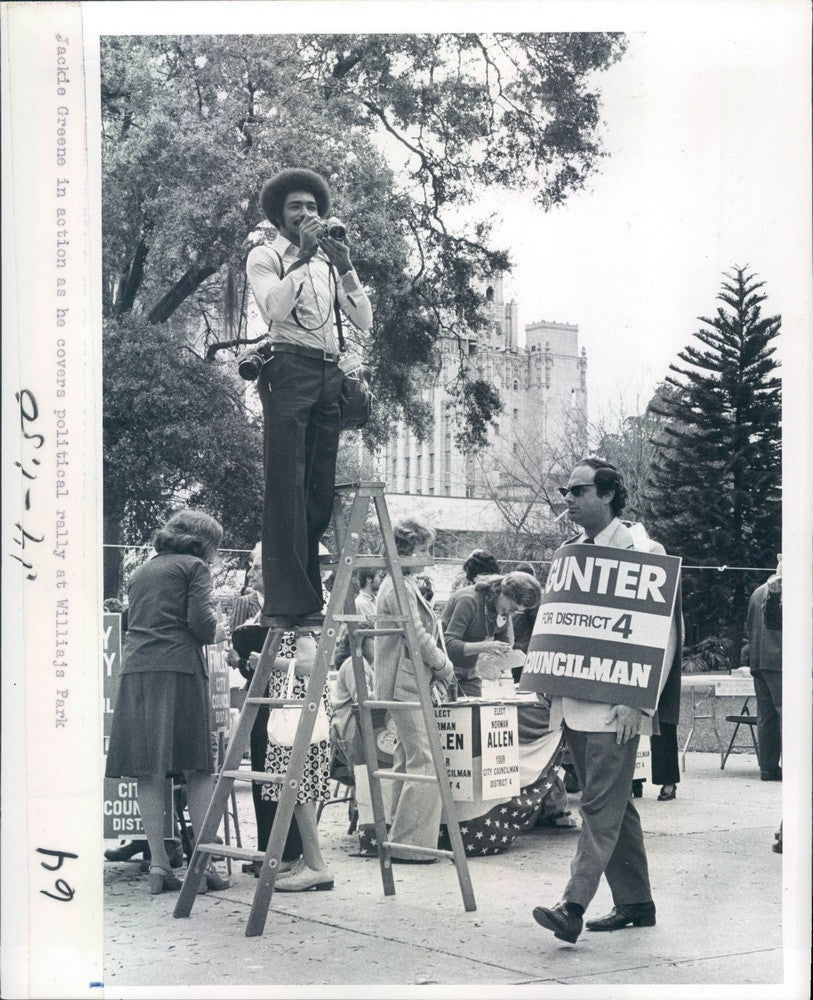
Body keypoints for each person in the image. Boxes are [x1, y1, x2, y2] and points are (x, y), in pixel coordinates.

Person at [531, 458, 682, 943]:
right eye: (565, 491)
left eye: (577, 491)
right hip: (575, 704)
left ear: (610, 493)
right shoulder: (570, 553)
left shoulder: (644, 551)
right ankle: (637, 903)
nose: (568, 499)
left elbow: (664, 639)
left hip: (618, 709)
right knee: (617, 807)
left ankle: (572, 906)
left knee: (597, 806)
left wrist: (641, 703)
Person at [245, 168, 373, 629]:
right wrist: (300, 256)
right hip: (288, 366)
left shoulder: (325, 264)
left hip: (328, 371)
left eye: (313, 208)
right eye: (296, 207)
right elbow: (273, 309)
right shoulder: (266, 256)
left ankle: (306, 599)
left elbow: (363, 320)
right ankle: (284, 603)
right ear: (280, 216)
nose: (307, 214)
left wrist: (344, 264)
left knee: (319, 485)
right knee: (286, 484)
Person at [105, 510, 230, 895]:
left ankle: (159, 863)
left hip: (136, 669)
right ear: (204, 543)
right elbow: (200, 623)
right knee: (198, 767)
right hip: (178, 669)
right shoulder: (195, 567)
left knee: (149, 769)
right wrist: (219, 630)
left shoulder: (143, 571)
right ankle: (201, 864)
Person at [374, 518, 456, 862]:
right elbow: (417, 635)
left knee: (408, 759)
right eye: (423, 549)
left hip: (401, 680)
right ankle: (413, 844)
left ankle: (401, 836)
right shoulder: (398, 587)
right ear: (405, 551)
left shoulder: (397, 584)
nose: (428, 556)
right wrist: (443, 665)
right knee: (426, 760)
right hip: (405, 681)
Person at [229, 545, 303, 877]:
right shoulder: (257, 610)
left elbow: (301, 660)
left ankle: (285, 851)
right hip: (260, 696)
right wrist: (243, 662)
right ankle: (266, 849)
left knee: (278, 773)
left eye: (258, 567)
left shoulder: (288, 611)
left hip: (281, 698)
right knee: (262, 772)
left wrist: (260, 661)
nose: (251, 572)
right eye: (251, 566)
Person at [257, 632, 335, 892]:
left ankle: (317, 865)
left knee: (301, 792)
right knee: (299, 793)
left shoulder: (300, 629)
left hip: (300, 718)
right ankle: (311, 861)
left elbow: (311, 665)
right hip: (299, 715)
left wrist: (267, 661)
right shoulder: (299, 629)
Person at [442, 572, 541, 697]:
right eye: (512, 608)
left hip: (470, 671)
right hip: (446, 670)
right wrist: (485, 647)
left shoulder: (499, 605)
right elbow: (448, 645)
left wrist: (506, 652)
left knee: (477, 713)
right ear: (502, 593)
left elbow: (503, 640)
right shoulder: (469, 600)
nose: (510, 614)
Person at [741, 561, 782, 781]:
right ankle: (793, 764)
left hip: (758, 660)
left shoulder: (757, 592)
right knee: (785, 712)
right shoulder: (785, 591)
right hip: (778, 660)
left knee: (766, 716)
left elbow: (749, 626)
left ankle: (767, 767)